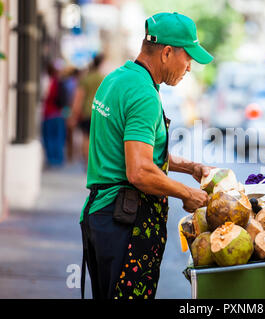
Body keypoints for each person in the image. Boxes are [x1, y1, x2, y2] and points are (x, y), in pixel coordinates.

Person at [79, 12, 214, 300]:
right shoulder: (144, 95)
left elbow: (132, 150)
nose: (189, 68)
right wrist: (187, 194)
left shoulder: (117, 78)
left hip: (101, 217)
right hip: (124, 224)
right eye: (188, 58)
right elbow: (139, 170)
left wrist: (189, 166)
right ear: (167, 52)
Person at [68, 54, 105, 167]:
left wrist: (73, 115)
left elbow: (78, 97)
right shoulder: (103, 78)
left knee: (86, 137)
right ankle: (94, 163)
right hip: (100, 112)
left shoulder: (85, 79)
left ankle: (87, 162)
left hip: (87, 112)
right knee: (97, 139)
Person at [42, 61, 66, 167]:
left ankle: (52, 160)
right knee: (58, 137)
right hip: (58, 113)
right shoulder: (59, 82)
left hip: (50, 113)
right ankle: (58, 159)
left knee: (50, 137)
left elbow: (45, 96)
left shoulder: (48, 81)